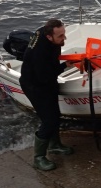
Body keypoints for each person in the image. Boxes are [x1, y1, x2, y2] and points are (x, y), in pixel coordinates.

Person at [20, 19, 74, 171]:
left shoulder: (44, 31)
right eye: (60, 36)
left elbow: (49, 71)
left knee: (55, 115)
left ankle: (55, 145)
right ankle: (38, 158)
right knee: (48, 120)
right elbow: (44, 75)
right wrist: (64, 66)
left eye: (64, 34)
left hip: (47, 82)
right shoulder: (40, 52)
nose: (64, 38)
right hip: (35, 85)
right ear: (49, 36)